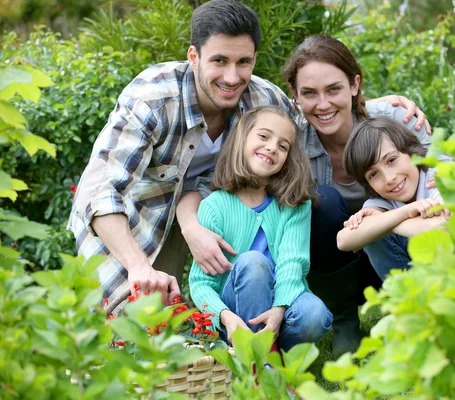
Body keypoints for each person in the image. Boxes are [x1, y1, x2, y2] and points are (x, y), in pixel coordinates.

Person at [67, 0, 425, 310]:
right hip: (138, 220)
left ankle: (266, 327)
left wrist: (382, 108)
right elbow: (98, 191)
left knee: (183, 325)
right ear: (194, 56)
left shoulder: (261, 99)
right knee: (129, 328)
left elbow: (316, 114)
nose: (232, 76)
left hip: (223, 219)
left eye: (244, 62)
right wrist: (138, 266)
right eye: (219, 61)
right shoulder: (152, 99)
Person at [281, 34, 432, 353]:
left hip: (405, 247)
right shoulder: (290, 143)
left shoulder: (394, 119)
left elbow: (440, 174)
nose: (322, 104)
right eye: (309, 93)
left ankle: (417, 305)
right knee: (320, 200)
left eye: (334, 89)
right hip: (339, 260)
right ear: (295, 96)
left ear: (354, 84)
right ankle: (344, 320)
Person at [187, 106, 332, 350]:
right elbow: (201, 284)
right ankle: (255, 359)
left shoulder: (294, 204)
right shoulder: (214, 206)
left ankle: (271, 352)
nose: (272, 147)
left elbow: (292, 263)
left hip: (282, 304)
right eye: (264, 137)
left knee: (315, 314)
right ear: (242, 139)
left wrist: (279, 309)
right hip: (236, 317)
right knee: (253, 262)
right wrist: (225, 317)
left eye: (283, 146)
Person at [338, 116, 455, 279]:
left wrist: (389, 224)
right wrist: (404, 212)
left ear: (410, 151)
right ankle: (410, 298)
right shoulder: (380, 202)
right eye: (373, 174)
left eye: (391, 160)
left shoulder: (438, 178)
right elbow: (343, 240)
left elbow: (441, 227)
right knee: (372, 236)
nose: (389, 178)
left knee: (375, 228)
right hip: (443, 278)